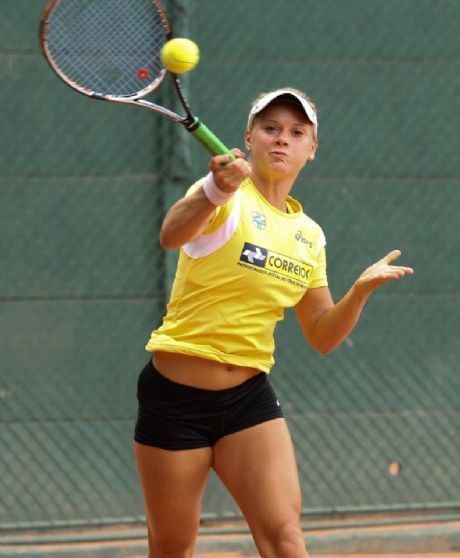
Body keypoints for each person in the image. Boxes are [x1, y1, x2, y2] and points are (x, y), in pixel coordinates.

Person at [133, 87, 414, 558]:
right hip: (174, 399)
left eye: (296, 132)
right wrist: (214, 188)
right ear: (250, 138)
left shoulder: (308, 235)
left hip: (248, 400)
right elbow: (170, 234)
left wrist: (359, 291)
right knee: (171, 547)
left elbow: (322, 333)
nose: (282, 140)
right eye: (270, 129)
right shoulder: (224, 198)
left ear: (311, 149)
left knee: (285, 540)